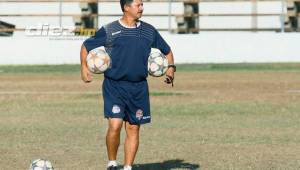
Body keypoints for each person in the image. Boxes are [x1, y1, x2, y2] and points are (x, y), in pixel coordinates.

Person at [80, 0, 176, 169]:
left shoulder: (148, 31)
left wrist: (171, 68)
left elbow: (167, 51)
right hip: (114, 86)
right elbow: (86, 46)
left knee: (133, 128)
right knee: (115, 125)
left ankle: (128, 167)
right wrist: (84, 67)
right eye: (138, 5)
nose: (142, 8)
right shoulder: (110, 30)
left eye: (142, 5)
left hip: (138, 88)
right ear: (126, 7)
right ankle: (111, 163)